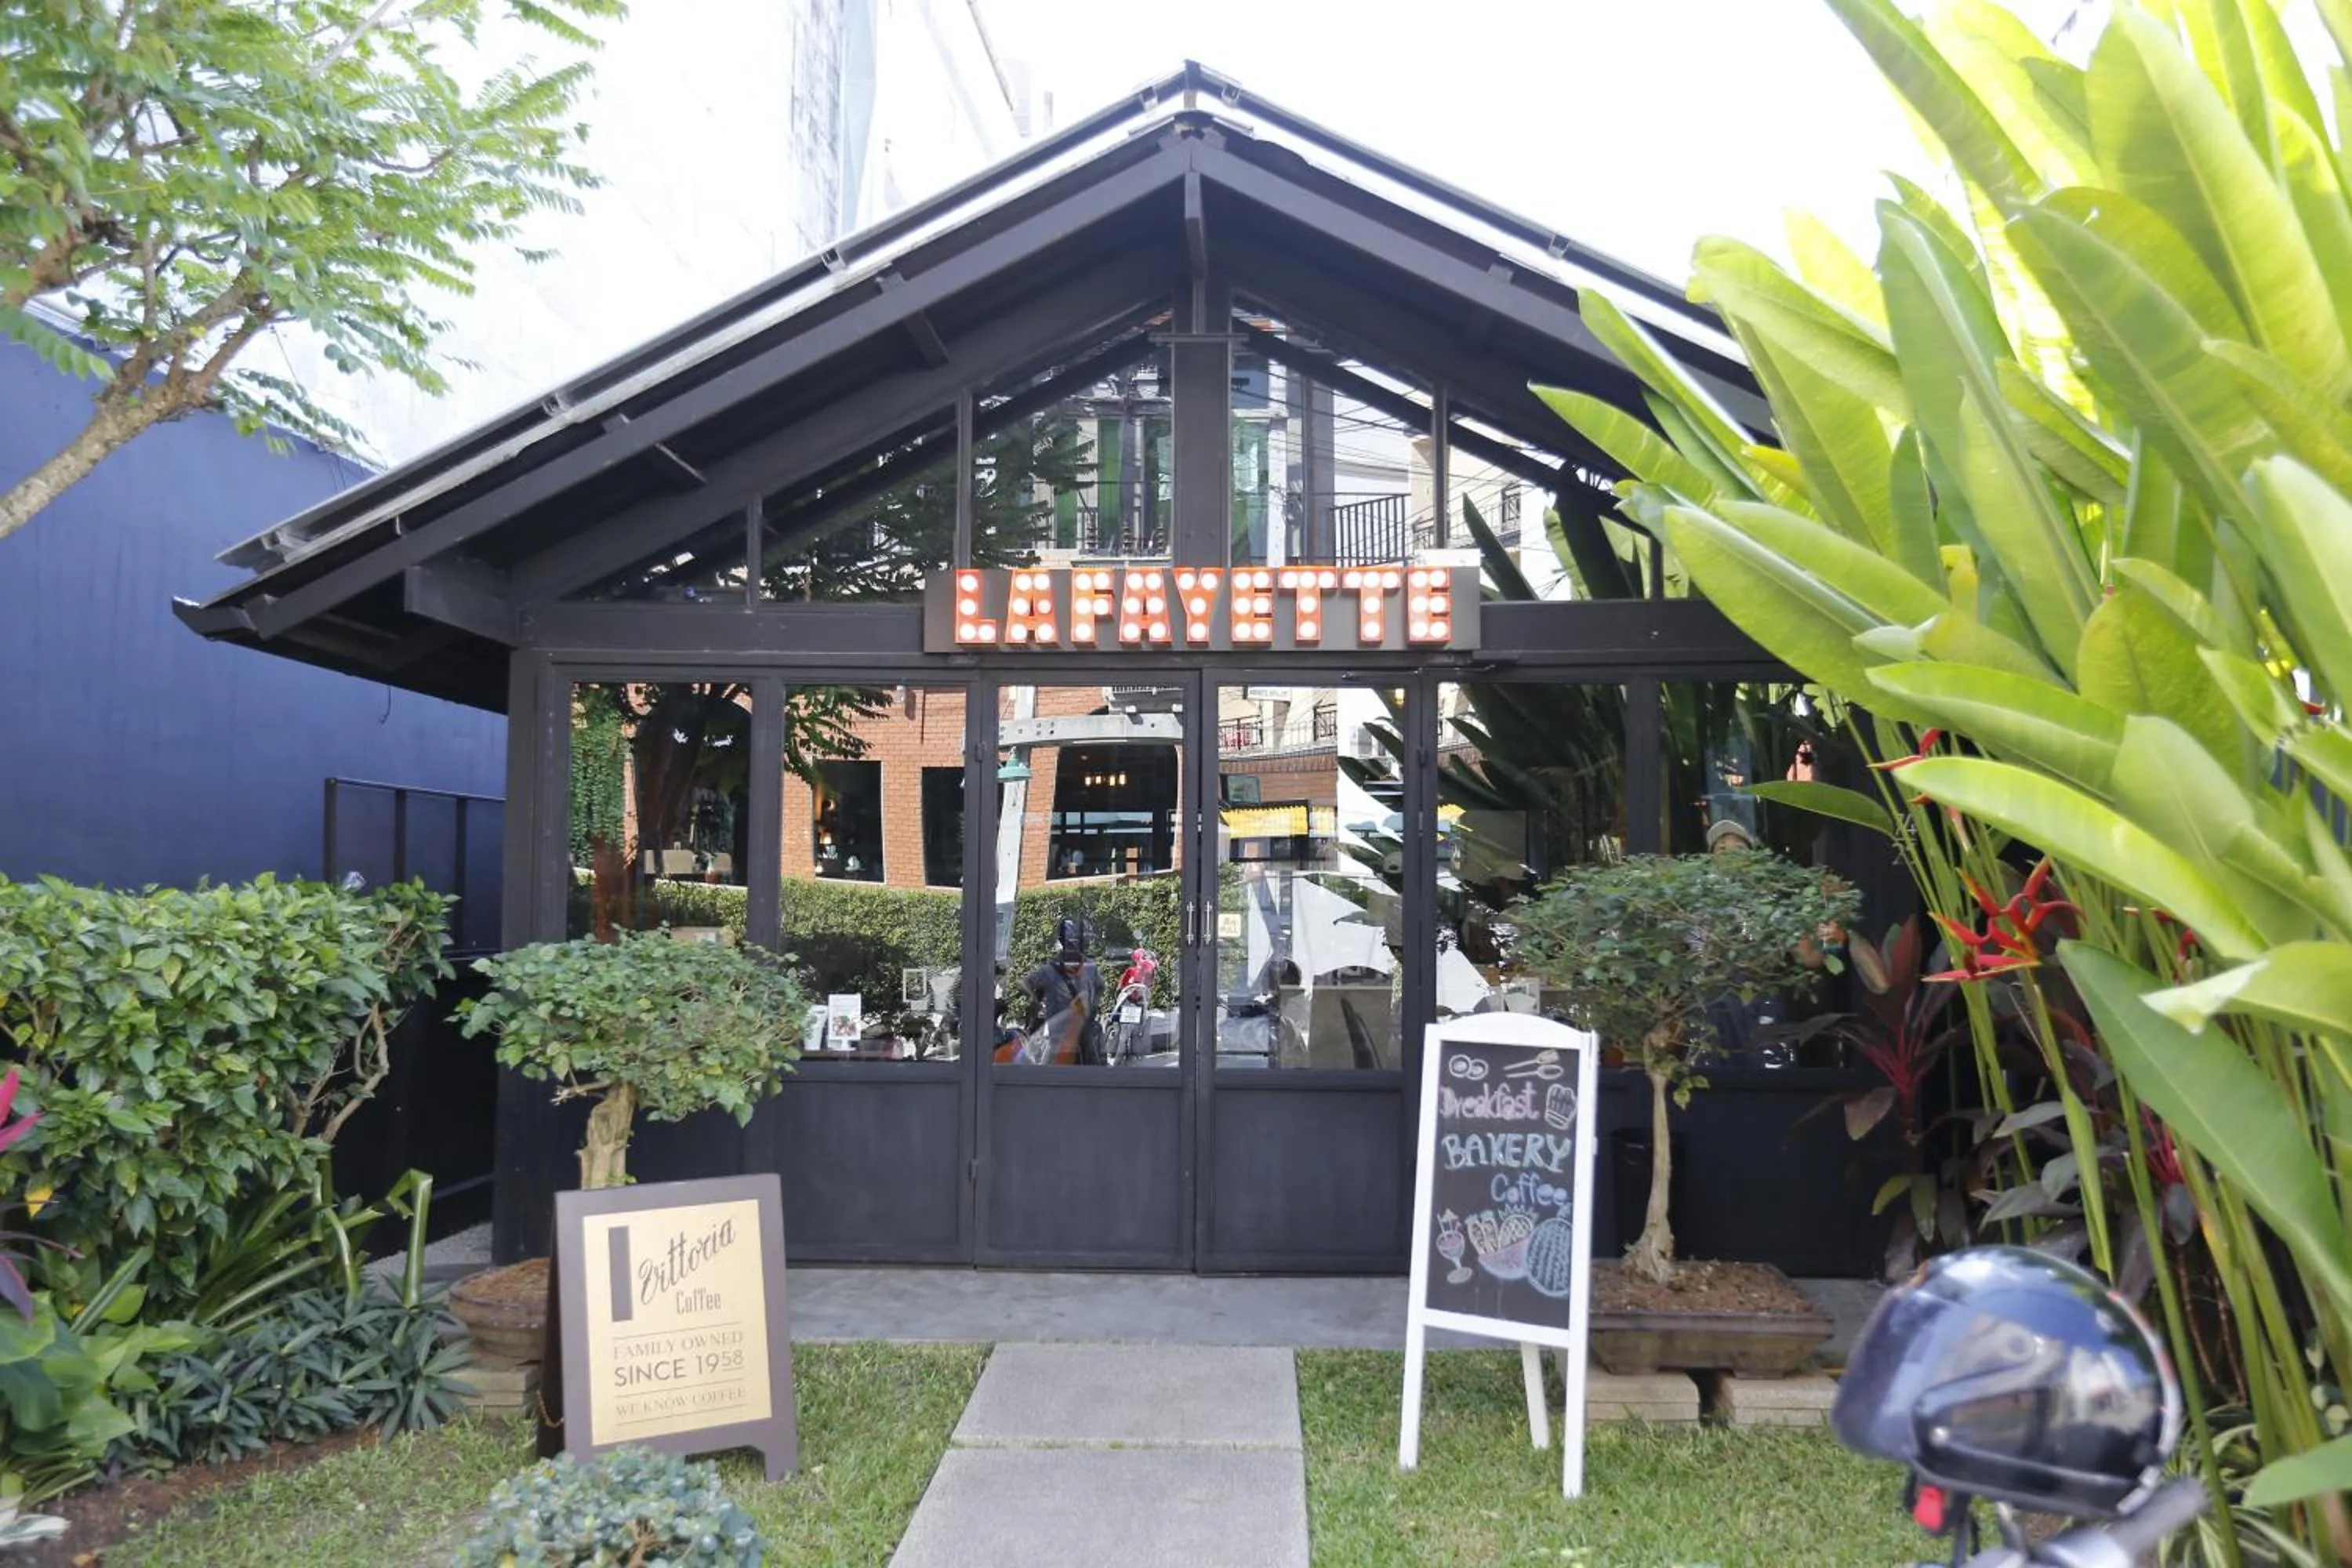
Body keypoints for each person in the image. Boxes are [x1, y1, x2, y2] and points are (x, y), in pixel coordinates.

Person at [1014, 916, 1104, 1065]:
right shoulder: (1091, 969)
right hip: (1083, 1038)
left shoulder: (1049, 970)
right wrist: (1092, 1005)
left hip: (1061, 1039)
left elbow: (1023, 984)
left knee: (1055, 1080)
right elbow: (1100, 988)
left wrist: (1037, 1001)